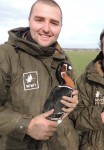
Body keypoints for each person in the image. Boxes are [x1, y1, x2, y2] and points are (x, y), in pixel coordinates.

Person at [0, 0, 79, 149]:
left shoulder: (63, 59)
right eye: (39, 20)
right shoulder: (5, 56)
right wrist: (26, 125)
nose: (46, 28)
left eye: (54, 23)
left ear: (61, 27)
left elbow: (68, 94)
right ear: (29, 20)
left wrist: (71, 103)